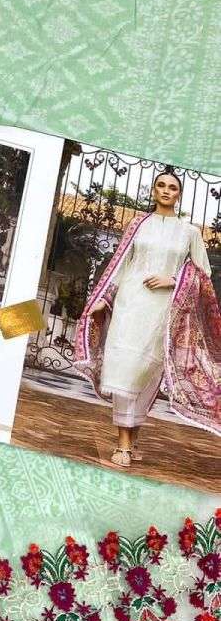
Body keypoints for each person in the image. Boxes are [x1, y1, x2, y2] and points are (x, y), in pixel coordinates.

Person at [74, 170, 221, 466]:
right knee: (124, 368)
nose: (166, 191)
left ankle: (133, 437)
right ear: (154, 190)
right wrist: (105, 297)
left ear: (179, 194)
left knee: (145, 372)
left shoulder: (189, 232)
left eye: (172, 187)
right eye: (161, 185)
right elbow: (121, 265)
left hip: (161, 311)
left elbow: (203, 276)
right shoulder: (138, 224)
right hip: (129, 304)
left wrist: (173, 279)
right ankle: (123, 445)